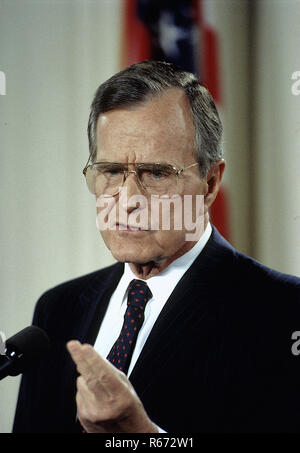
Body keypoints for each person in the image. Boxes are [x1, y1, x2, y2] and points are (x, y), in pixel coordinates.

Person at [13, 60, 300, 433]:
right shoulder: (57, 309)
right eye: (112, 171)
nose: (128, 198)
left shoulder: (283, 313)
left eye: (156, 173)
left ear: (210, 183)